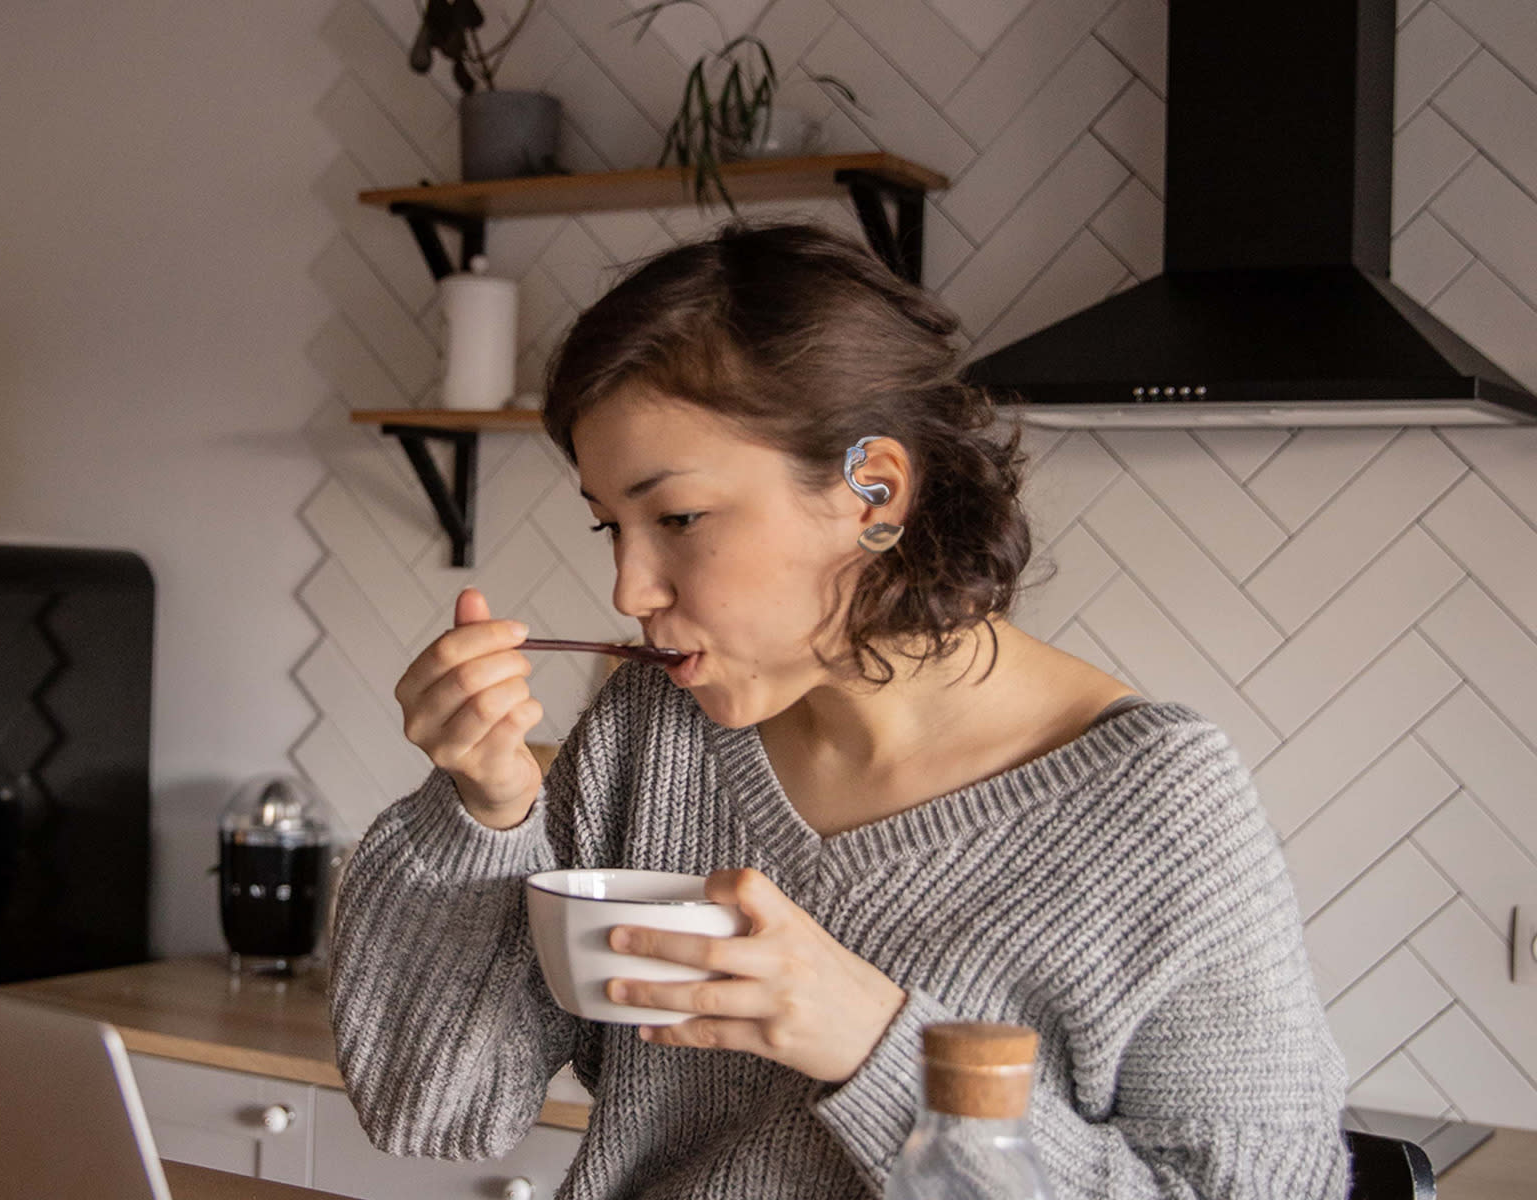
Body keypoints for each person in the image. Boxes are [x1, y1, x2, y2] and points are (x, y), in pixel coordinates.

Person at [328, 222, 1348, 1199]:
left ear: (874, 490)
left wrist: (875, 1045)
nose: (630, 590)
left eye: (677, 516)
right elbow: (431, 1110)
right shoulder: (653, 728)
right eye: (612, 526)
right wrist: (484, 813)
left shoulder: (1156, 806)